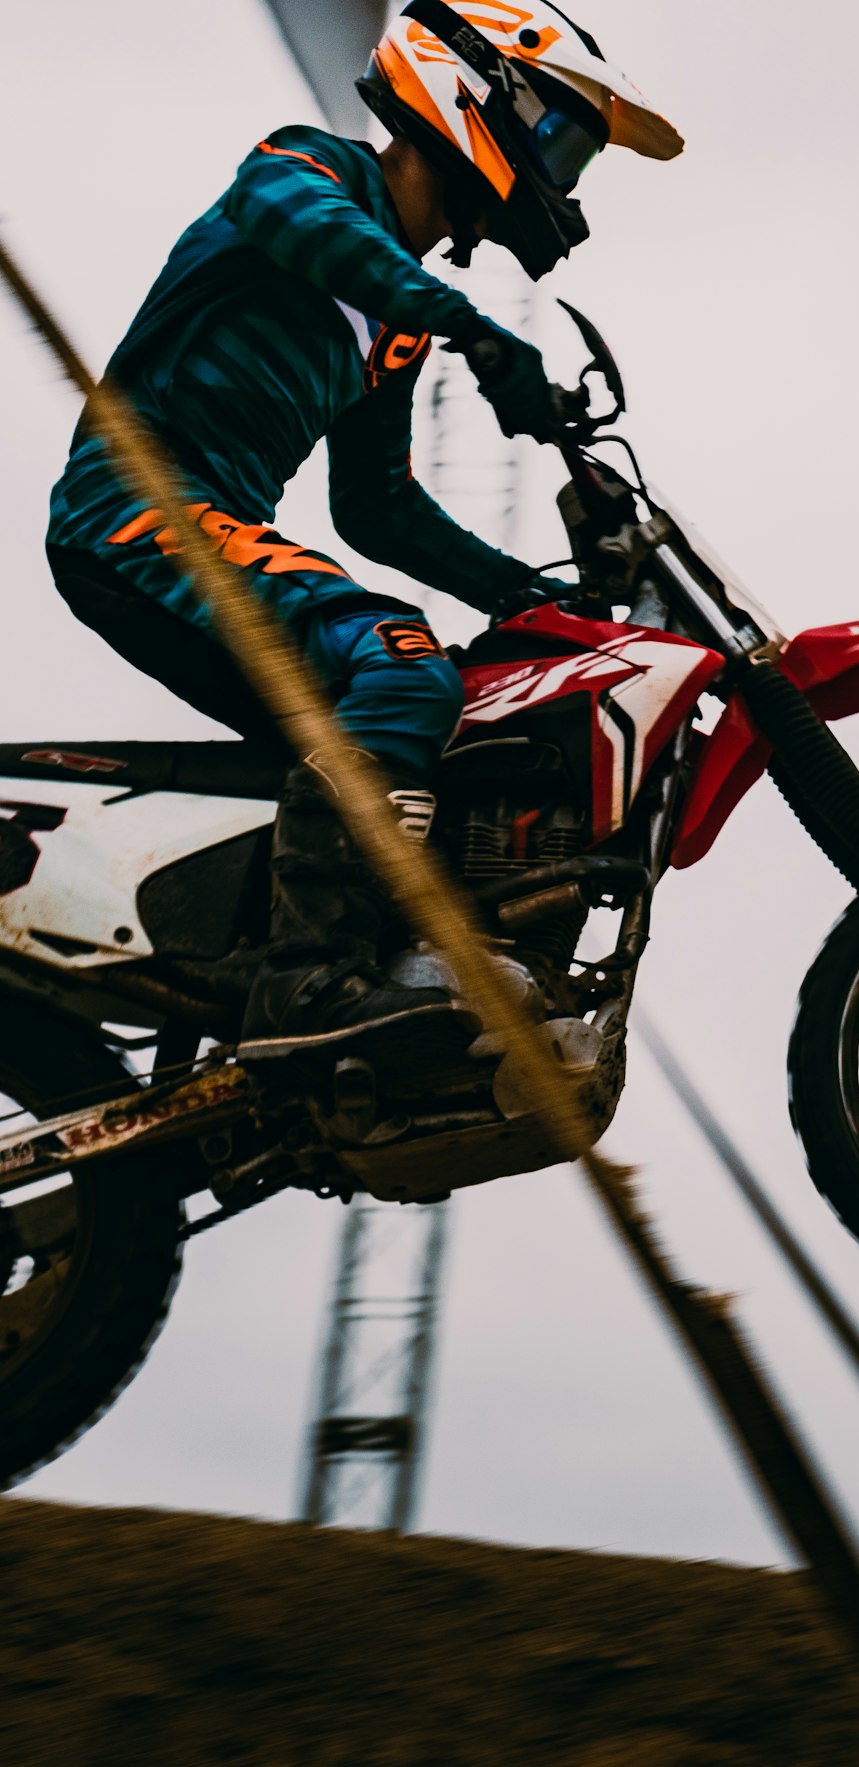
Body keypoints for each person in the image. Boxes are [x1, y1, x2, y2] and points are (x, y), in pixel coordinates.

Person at [46, 0, 682, 1076]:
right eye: (560, 142)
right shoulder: (306, 173)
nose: (563, 181)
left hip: (206, 526)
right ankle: (307, 983)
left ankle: (330, 992)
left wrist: (530, 598)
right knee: (397, 664)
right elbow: (310, 231)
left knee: (443, 710)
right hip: (135, 509)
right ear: (475, 91)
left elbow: (375, 508)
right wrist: (472, 330)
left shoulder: (394, 321)